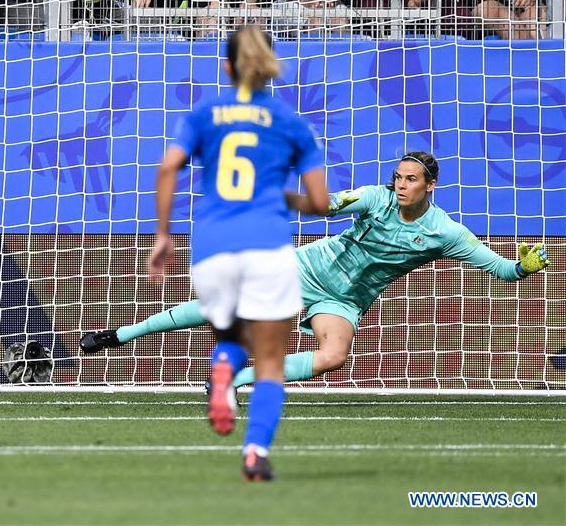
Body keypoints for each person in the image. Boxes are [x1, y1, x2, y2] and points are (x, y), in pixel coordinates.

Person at [82, 151, 551, 390]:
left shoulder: (446, 232)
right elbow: (330, 207)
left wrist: (521, 268)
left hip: (344, 300)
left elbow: (500, 269)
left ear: (431, 186)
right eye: (399, 177)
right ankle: (118, 335)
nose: (401, 184)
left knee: (334, 357)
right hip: (307, 267)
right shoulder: (375, 198)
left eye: (411, 179)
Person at [147, 26, 329, 480]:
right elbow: (321, 203)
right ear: (269, 67)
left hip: (212, 246)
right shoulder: (290, 121)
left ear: (226, 68)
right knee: (268, 360)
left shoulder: (205, 112)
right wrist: (286, 199)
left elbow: (169, 166)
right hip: (267, 245)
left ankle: (222, 371)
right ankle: (255, 453)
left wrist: (163, 234)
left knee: (229, 336)